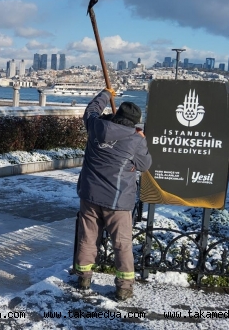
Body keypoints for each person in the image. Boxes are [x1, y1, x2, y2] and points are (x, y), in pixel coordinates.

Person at [74, 88, 152, 301]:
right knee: (121, 243)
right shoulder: (136, 140)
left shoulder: (96, 126)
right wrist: (141, 139)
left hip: (89, 195)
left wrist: (105, 94)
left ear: (117, 116)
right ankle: (124, 288)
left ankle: (83, 277)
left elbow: (91, 110)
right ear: (135, 122)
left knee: (88, 237)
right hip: (117, 200)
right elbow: (145, 165)